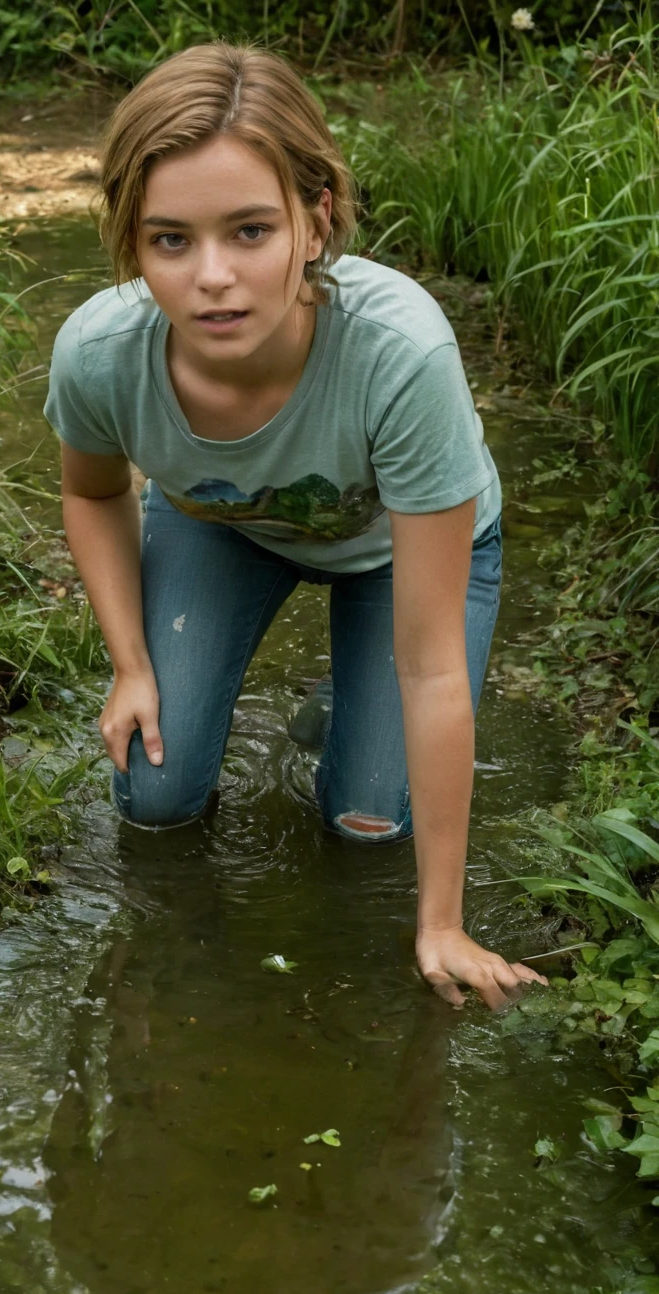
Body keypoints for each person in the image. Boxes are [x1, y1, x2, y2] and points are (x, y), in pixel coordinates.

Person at [44, 40, 548, 1013]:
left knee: (366, 823)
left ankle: (339, 704)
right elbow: (93, 492)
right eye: (171, 240)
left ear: (314, 222)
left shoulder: (400, 354)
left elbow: (435, 664)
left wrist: (440, 923)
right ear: (130, 240)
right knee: (154, 800)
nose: (214, 279)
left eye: (249, 231)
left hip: (396, 553)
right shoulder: (99, 356)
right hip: (221, 528)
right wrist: (131, 664)